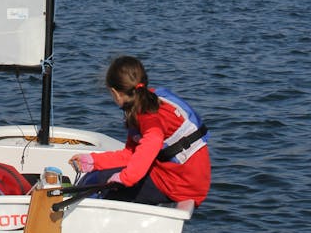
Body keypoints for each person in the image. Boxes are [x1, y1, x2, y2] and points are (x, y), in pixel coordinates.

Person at [69, 55, 211, 207]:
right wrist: (94, 161)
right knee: (98, 175)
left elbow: (153, 140)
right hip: (187, 177)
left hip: (179, 184)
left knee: (100, 183)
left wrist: (125, 178)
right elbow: (132, 155)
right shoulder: (151, 99)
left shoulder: (148, 117)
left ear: (115, 93)